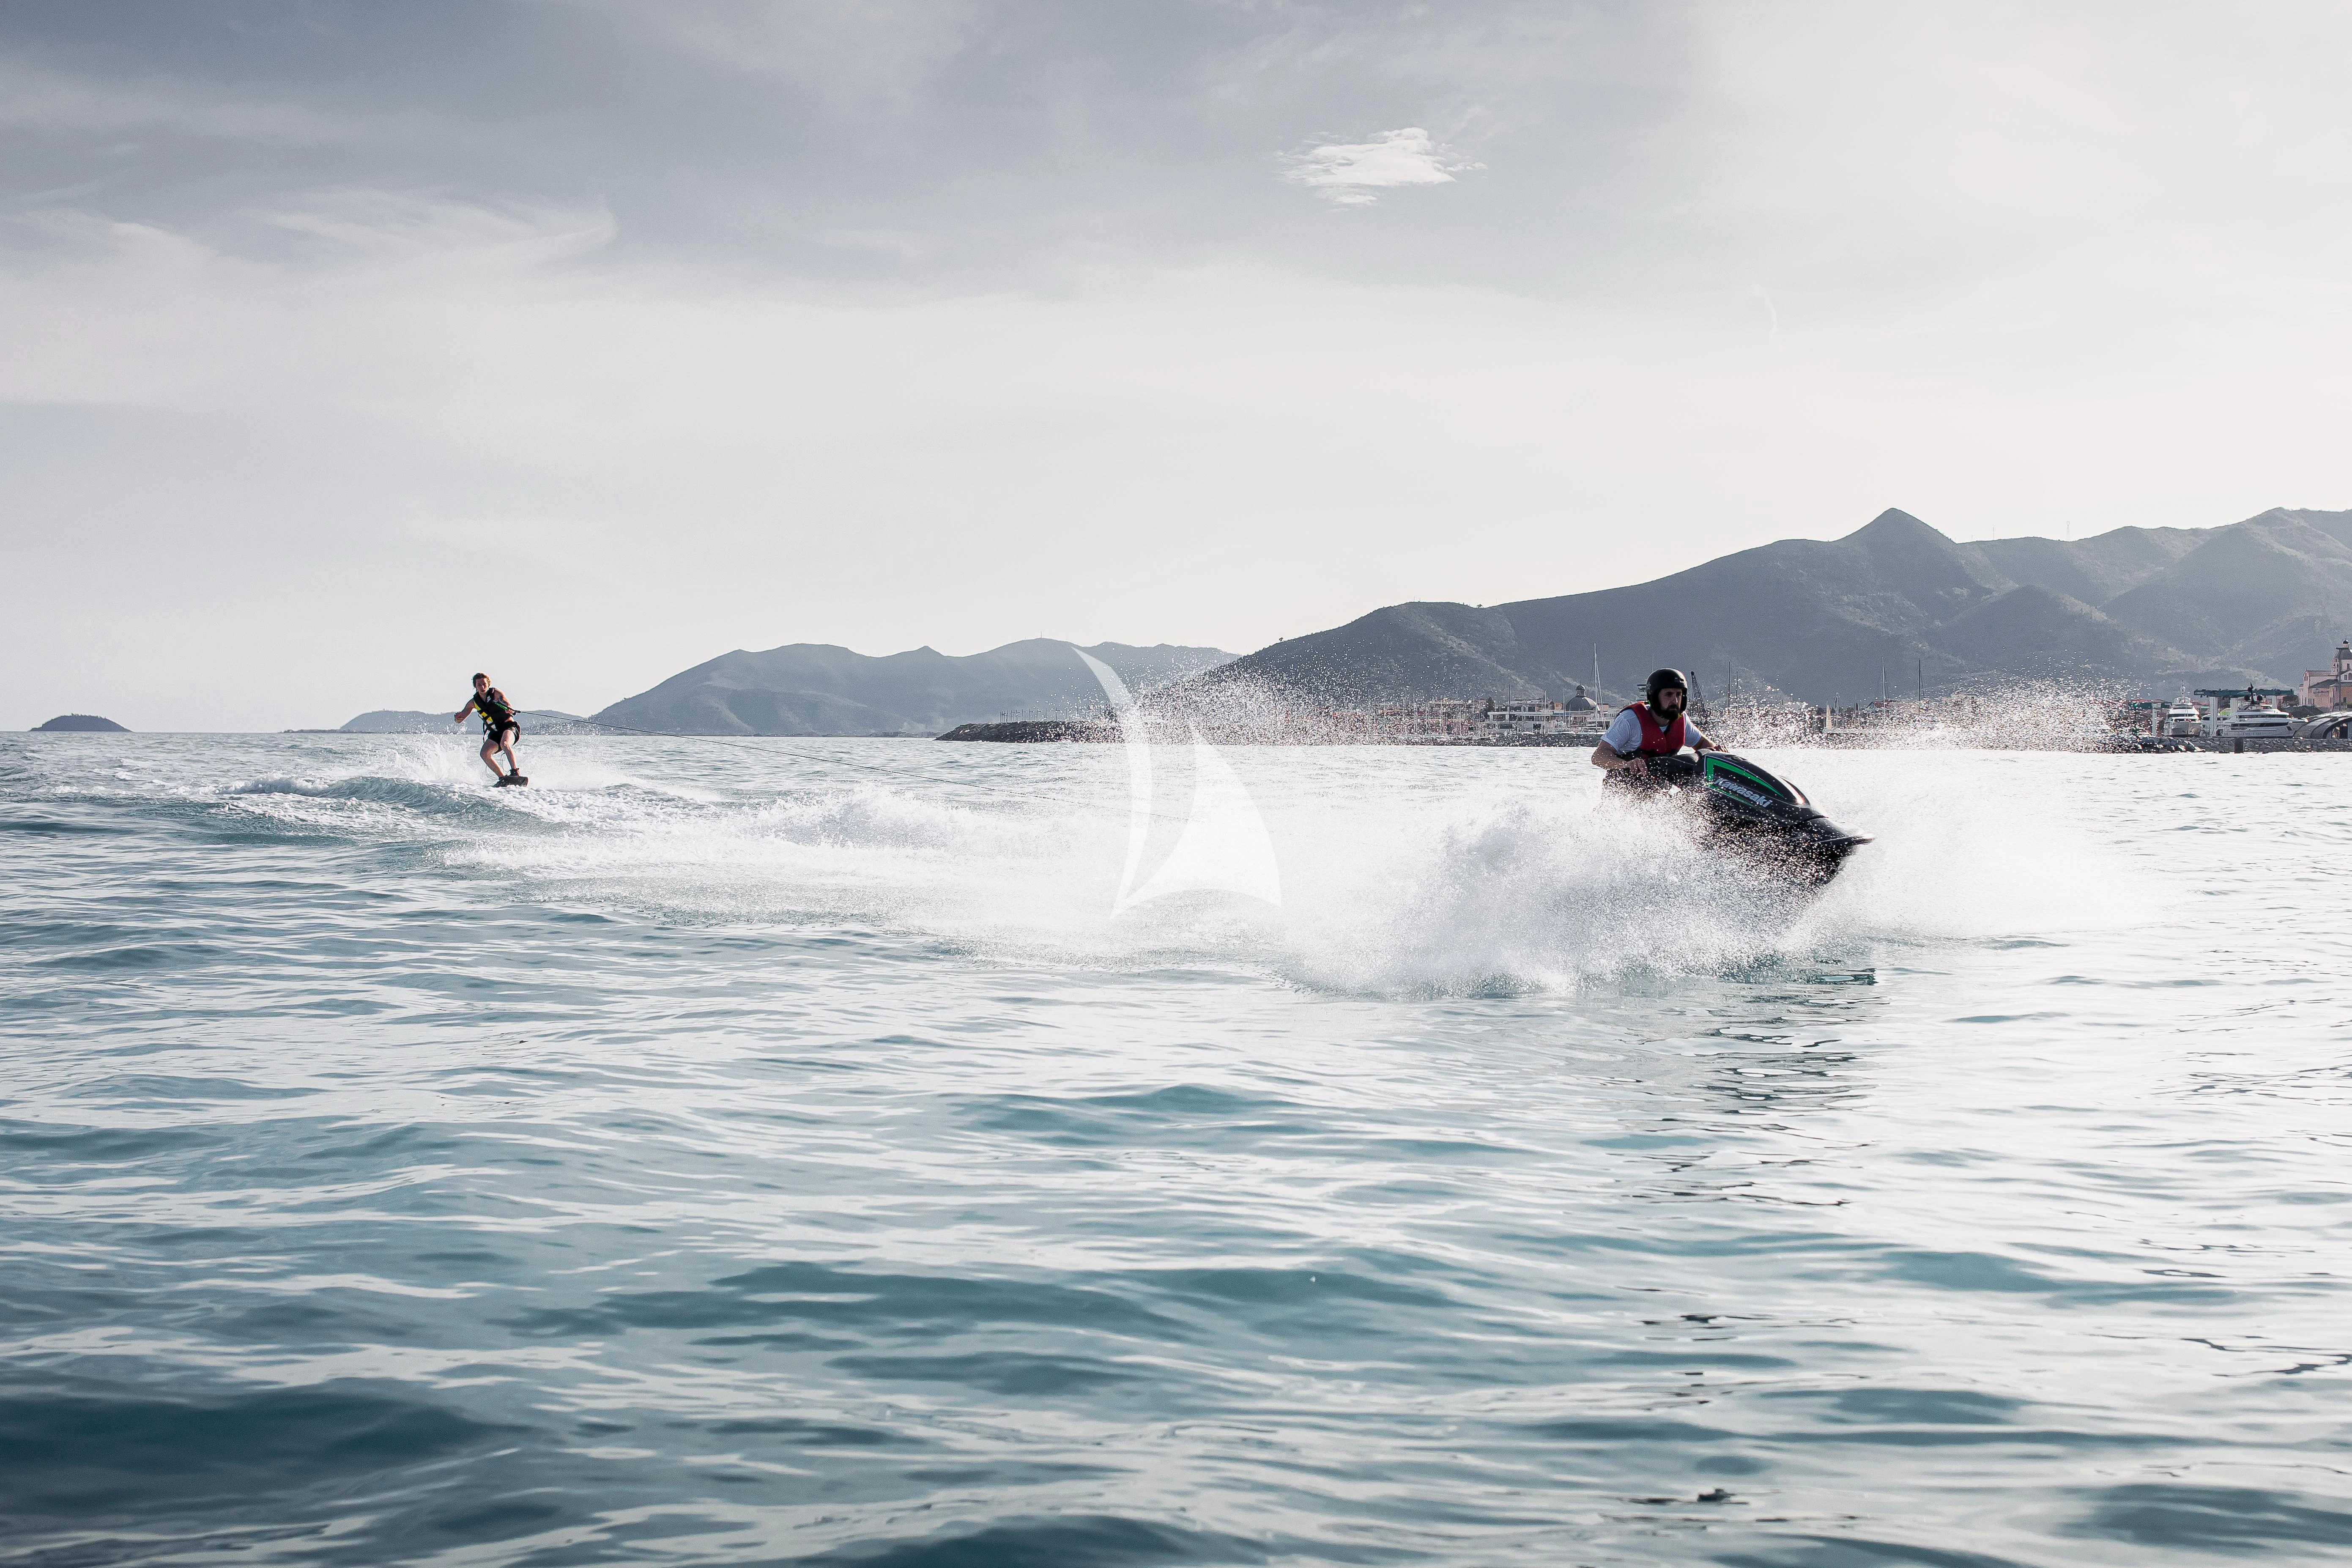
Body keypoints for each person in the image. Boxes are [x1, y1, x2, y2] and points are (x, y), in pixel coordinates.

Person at [1591, 668, 1714, 783]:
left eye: (1679, 694)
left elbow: (1704, 745)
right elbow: (1599, 756)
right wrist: (1626, 764)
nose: (1675, 701)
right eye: (1669, 695)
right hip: (1625, 790)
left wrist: (1716, 753)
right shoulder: (1630, 720)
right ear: (1654, 697)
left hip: (1660, 792)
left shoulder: (1683, 722)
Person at [455, 673, 526, 785]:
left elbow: (507, 704)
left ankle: (515, 772)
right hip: (496, 733)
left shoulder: (496, 694)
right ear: (475, 687)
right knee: (484, 753)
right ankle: (503, 778)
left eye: (484, 684)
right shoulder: (473, 703)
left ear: (489, 684)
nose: (483, 687)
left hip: (509, 727)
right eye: (479, 685)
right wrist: (458, 718)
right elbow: (461, 719)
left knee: (505, 743)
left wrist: (510, 710)